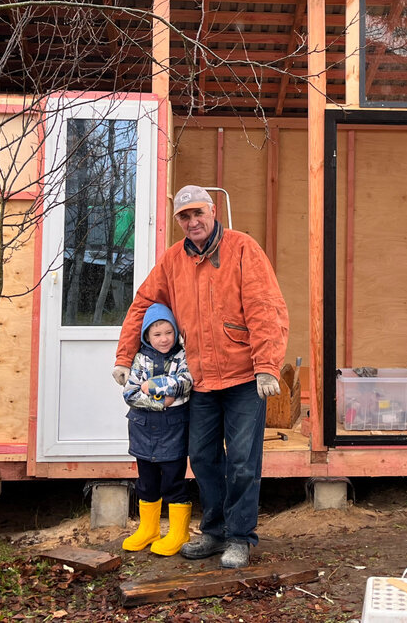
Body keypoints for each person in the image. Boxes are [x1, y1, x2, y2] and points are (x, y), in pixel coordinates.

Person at [112, 184, 289, 569]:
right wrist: (126, 356)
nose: (192, 221)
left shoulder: (243, 248)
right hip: (201, 379)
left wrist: (266, 366)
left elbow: (265, 308)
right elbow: (143, 302)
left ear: (212, 212)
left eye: (198, 213)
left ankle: (240, 537)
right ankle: (214, 531)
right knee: (202, 457)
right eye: (184, 216)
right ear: (179, 221)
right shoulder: (173, 260)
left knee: (242, 459)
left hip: (245, 377)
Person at [119, 302, 194, 556]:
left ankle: (178, 532)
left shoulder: (182, 357)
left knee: (174, 481)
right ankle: (149, 528)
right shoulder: (140, 358)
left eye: (168, 333)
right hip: (143, 431)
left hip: (172, 430)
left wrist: (153, 384)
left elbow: (185, 382)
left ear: (176, 332)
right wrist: (162, 400)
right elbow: (130, 392)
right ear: (147, 336)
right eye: (157, 334)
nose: (164, 339)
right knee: (146, 482)